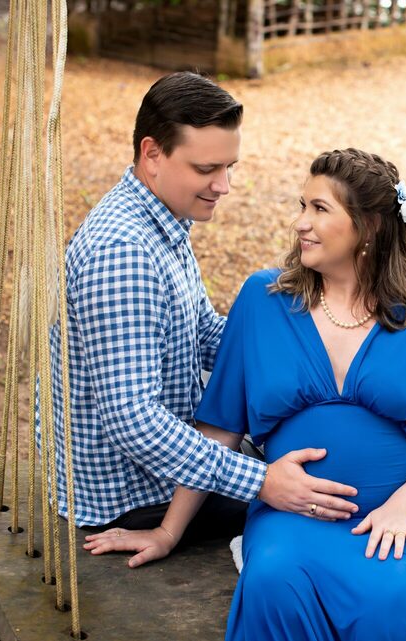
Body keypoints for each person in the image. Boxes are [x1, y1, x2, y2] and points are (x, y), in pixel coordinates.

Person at [86, 148, 406, 640]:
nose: (300, 223)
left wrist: (402, 506)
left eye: (319, 209)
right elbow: (219, 428)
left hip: (402, 516)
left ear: (370, 226)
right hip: (291, 517)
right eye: (302, 206)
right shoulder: (264, 300)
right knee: (274, 581)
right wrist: (169, 531)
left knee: (398, 598)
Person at [45, 72, 358, 547]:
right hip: (134, 495)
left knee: (320, 454)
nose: (223, 185)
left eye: (229, 167)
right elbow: (134, 421)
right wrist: (262, 482)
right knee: (340, 494)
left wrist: (315, 348)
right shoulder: (124, 253)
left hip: (164, 468)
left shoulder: (161, 220)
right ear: (152, 154)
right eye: (207, 168)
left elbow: (200, 334)